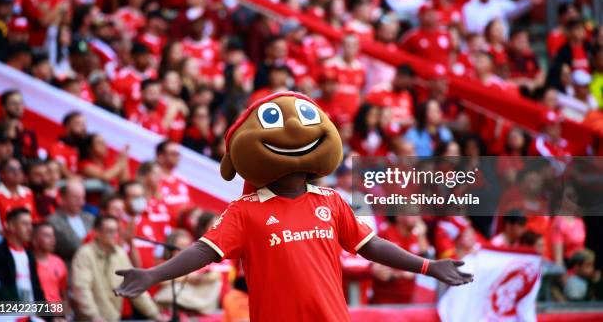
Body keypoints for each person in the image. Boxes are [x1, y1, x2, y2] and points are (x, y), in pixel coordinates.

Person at [115, 92, 472, 322]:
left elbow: (372, 246)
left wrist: (427, 265)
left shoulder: (331, 201)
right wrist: (153, 274)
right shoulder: (245, 210)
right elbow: (202, 251)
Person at [72, 215, 162, 321]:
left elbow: (133, 286)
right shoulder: (85, 254)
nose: (115, 235)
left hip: (114, 318)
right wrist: (94, 316)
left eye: (116, 231)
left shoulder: (120, 253)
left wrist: (156, 314)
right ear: (97, 232)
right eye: (110, 231)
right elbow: (82, 289)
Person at [0, 208, 46, 302]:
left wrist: (50, 316)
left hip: (31, 314)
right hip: (7, 314)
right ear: (10, 226)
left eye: (30, 224)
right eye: (25, 224)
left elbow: (36, 289)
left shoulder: (29, 255)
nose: (30, 228)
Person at [47, 179, 95, 262]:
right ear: (62, 199)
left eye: (82, 198)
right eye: (76, 198)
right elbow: (72, 246)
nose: (81, 202)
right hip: (69, 268)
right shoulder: (53, 221)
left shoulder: (90, 218)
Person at [0, 158, 38, 230]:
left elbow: (34, 219)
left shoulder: (28, 192)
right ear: (1, 174)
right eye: (11, 169)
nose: (17, 172)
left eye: (19, 169)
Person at [32, 222, 68, 304]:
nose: (53, 239)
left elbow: (63, 292)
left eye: (53, 235)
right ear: (34, 240)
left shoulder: (58, 261)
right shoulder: (28, 262)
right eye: (46, 236)